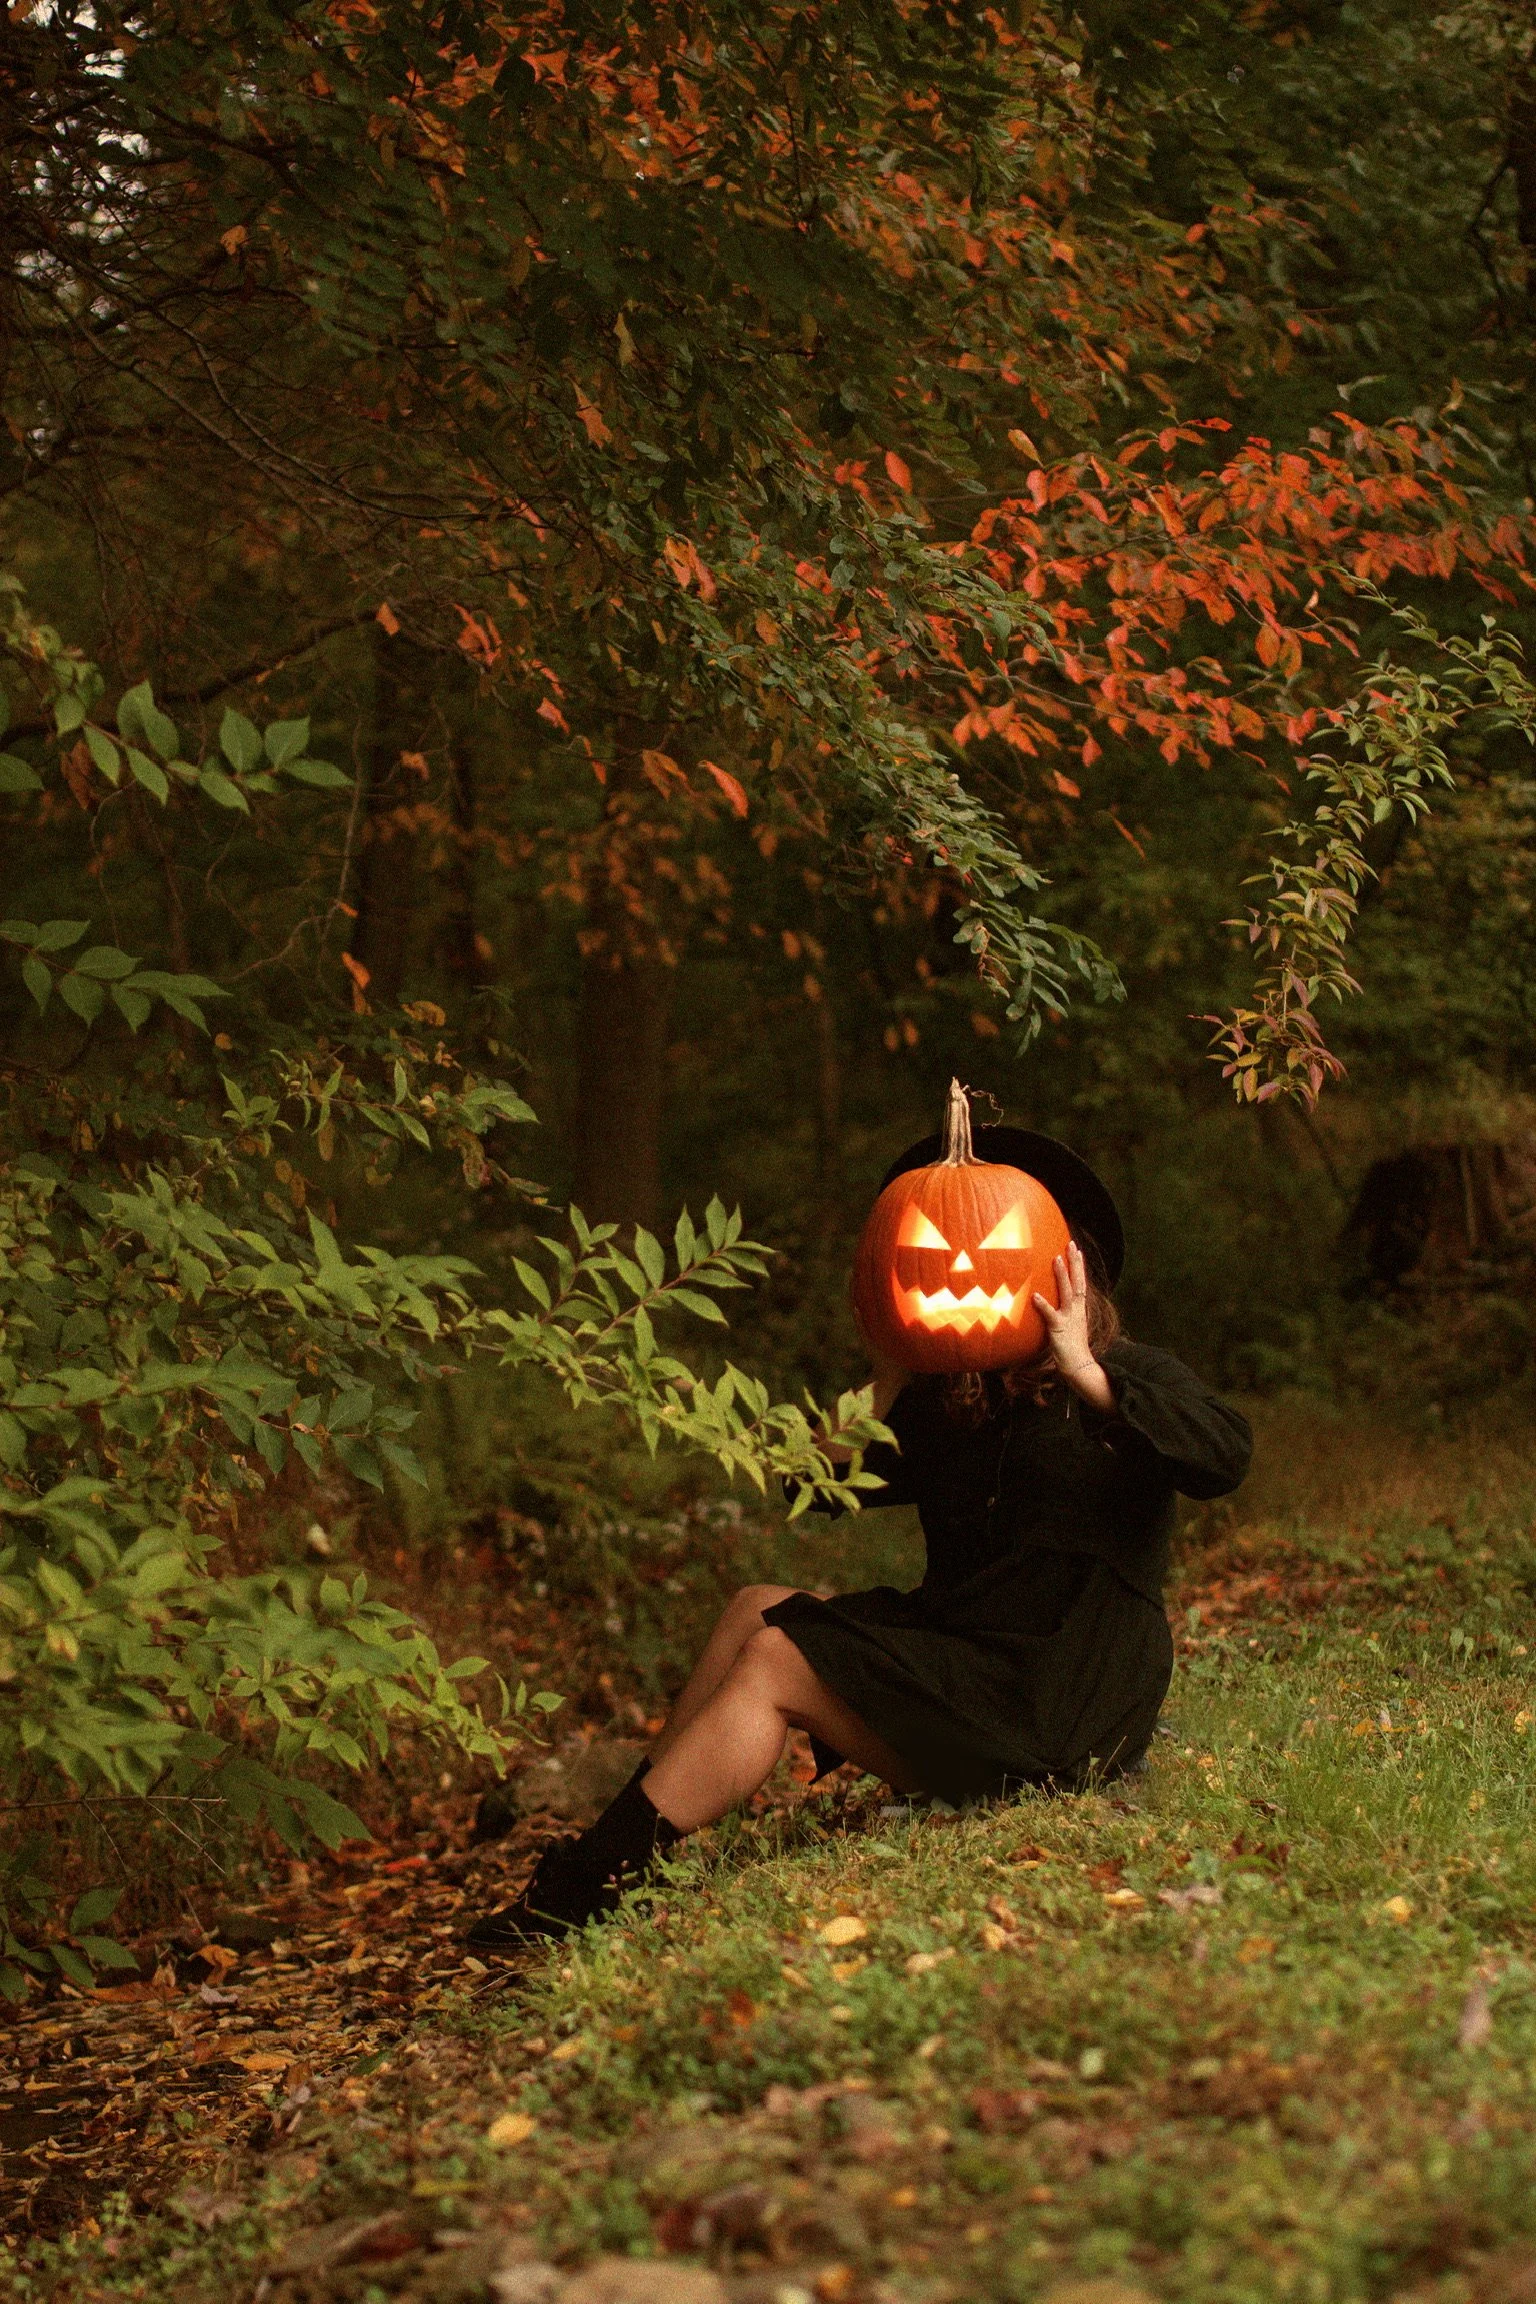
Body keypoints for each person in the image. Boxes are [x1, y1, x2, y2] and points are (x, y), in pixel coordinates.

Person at [464, 1124, 1251, 1952]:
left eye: (997, 1247)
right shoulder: (956, 1401)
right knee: (754, 1611)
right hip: (965, 1671)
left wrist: (1087, 1375)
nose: (960, 1271)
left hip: (1063, 1700)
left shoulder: (1133, 1381)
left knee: (775, 1661)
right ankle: (616, 1853)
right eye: (933, 1248)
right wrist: (887, 1374)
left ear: (1069, 1269)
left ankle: (588, 1892)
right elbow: (809, 1485)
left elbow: (1222, 1456)